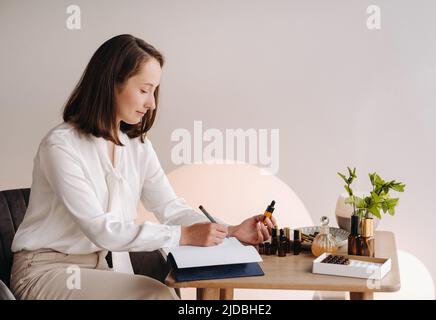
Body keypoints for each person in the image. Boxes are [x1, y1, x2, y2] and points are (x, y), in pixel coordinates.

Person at [10, 34, 276, 300]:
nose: (152, 103)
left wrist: (231, 231)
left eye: (154, 91)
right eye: (144, 90)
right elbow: (101, 229)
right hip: (44, 272)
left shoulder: (137, 146)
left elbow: (169, 208)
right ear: (112, 83)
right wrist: (182, 235)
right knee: (157, 296)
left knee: (163, 294)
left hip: (97, 267)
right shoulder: (61, 146)